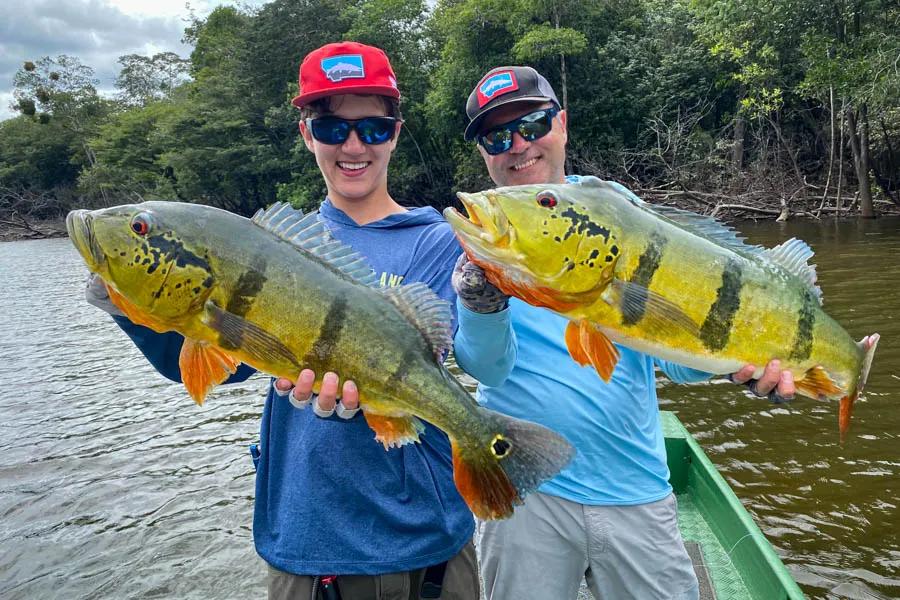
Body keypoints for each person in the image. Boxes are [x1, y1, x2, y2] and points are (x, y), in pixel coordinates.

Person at [87, 42, 516, 600]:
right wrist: (125, 301)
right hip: (307, 547)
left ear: (396, 132)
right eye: (333, 128)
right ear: (307, 135)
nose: (354, 145)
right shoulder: (262, 247)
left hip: (425, 550)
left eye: (373, 128)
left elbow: (465, 356)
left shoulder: (438, 241)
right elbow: (211, 364)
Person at [454, 65, 799, 600]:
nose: (518, 145)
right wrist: (481, 303)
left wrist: (739, 367)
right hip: (524, 490)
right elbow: (487, 368)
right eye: (497, 136)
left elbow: (679, 362)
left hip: (633, 483)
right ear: (484, 153)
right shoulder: (487, 235)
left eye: (533, 123)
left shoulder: (624, 214)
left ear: (562, 125)